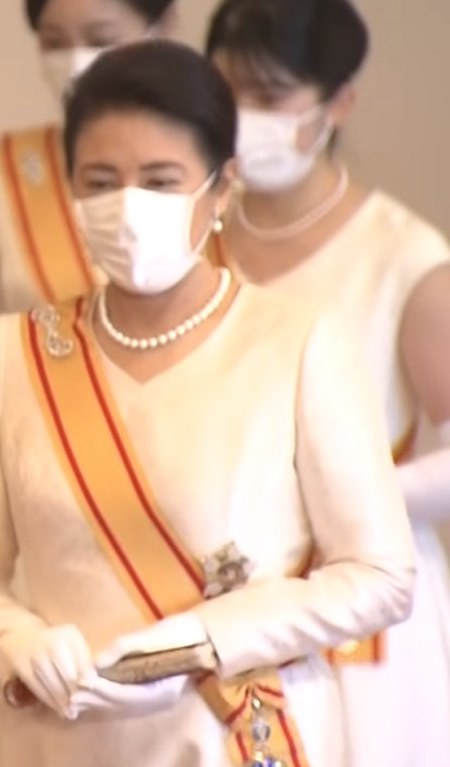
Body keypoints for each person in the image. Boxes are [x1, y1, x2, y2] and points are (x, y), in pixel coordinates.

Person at [0, 40, 416, 767]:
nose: (128, 208)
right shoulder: (19, 352)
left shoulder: (299, 343)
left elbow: (378, 574)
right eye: (100, 181)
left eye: (161, 181)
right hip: (63, 738)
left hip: (232, 735)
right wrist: (14, 641)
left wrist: (203, 639)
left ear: (221, 191)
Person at [205, 0, 450, 764]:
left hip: (363, 621)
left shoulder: (405, 259)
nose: (245, 119)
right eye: (228, 93)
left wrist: (342, 489)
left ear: (339, 100)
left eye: (270, 98)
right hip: (218, 599)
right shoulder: (189, 242)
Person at [0, 0, 182, 393]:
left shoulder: (220, 171)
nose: (76, 63)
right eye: (55, 43)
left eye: (101, 39)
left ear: (163, 27)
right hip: (55, 438)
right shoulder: (5, 177)